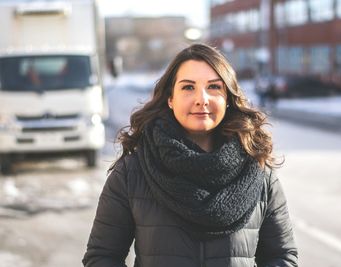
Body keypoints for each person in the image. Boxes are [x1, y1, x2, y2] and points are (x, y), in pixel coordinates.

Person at [82, 43, 298, 267]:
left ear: (228, 98)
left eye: (214, 87)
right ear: (170, 99)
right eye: (188, 87)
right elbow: (101, 257)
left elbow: (282, 257)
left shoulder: (259, 173)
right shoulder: (133, 171)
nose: (201, 99)